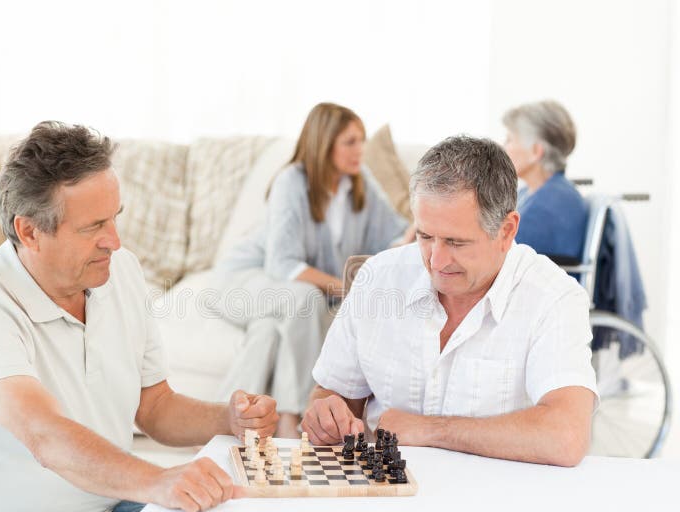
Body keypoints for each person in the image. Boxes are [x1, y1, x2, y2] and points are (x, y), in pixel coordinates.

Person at [0, 121, 279, 512]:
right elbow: (44, 434)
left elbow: (155, 405)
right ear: (29, 232)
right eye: (93, 227)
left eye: (114, 218)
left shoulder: (118, 272)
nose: (115, 241)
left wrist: (227, 418)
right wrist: (157, 480)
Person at [302, 135, 598, 467]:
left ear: (506, 230)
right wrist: (327, 414)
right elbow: (333, 395)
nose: (437, 261)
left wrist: (431, 431)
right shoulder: (378, 277)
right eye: (425, 237)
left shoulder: (554, 298)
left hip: (496, 507)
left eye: (456, 242)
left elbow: (566, 437)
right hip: (386, 501)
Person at [213, 103, 412, 438]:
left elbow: (393, 235)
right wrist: (342, 286)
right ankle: (297, 416)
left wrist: (413, 234)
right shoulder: (292, 182)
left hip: (283, 296)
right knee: (304, 300)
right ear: (324, 142)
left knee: (269, 332)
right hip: (245, 278)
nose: (359, 150)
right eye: (350, 142)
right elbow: (282, 264)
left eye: (361, 140)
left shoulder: (360, 183)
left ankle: (225, 428)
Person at [502, 100, 589, 262]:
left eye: (510, 140)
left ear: (536, 151)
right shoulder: (534, 193)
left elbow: (499, 252)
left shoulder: (551, 204)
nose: (504, 147)